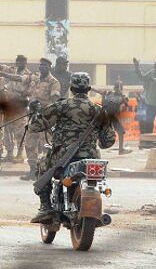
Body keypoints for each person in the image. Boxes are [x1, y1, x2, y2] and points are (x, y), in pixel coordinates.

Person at [28, 72, 116, 223]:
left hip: (63, 156)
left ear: (71, 88)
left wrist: (35, 112)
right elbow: (108, 141)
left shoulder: (61, 106)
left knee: (42, 166)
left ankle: (46, 207)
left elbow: (35, 127)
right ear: (88, 89)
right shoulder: (98, 110)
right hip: (91, 156)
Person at [19, 58, 60, 180]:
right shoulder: (35, 80)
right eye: (41, 65)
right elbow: (21, 81)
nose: (43, 67)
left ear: (49, 68)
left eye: (45, 66)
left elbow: (54, 100)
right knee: (29, 144)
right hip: (33, 117)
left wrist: (43, 108)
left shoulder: (54, 82)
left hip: (45, 119)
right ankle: (33, 170)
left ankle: (45, 171)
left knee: (46, 146)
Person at [0, 55, 33, 163]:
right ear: (16, 62)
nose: (21, 64)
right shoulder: (12, 69)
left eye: (23, 62)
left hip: (20, 107)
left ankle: (20, 154)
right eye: (19, 62)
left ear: (26, 63)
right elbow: (1, 66)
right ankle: (9, 153)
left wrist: (1, 74)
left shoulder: (28, 75)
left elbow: (15, 78)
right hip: (9, 106)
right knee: (7, 131)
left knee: (19, 131)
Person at [92, 80, 131, 154]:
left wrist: (123, 99)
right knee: (96, 131)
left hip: (110, 115)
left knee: (120, 131)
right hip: (104, 114)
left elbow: (127, 105)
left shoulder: (121, 97)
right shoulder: (109, 94)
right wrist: (92, 89)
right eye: (117, 87)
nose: (118, 89)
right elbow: (100, 92)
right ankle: (93, 148)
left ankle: (121, 150)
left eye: (119, 87)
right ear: (114, 87)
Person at [133, 58, 156, 133]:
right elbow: (142, 77)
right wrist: (137, 67)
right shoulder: (150, 73)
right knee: (149, 124)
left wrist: (153, 79)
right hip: (150, 104)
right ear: (154, 66)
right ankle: (149, 142)